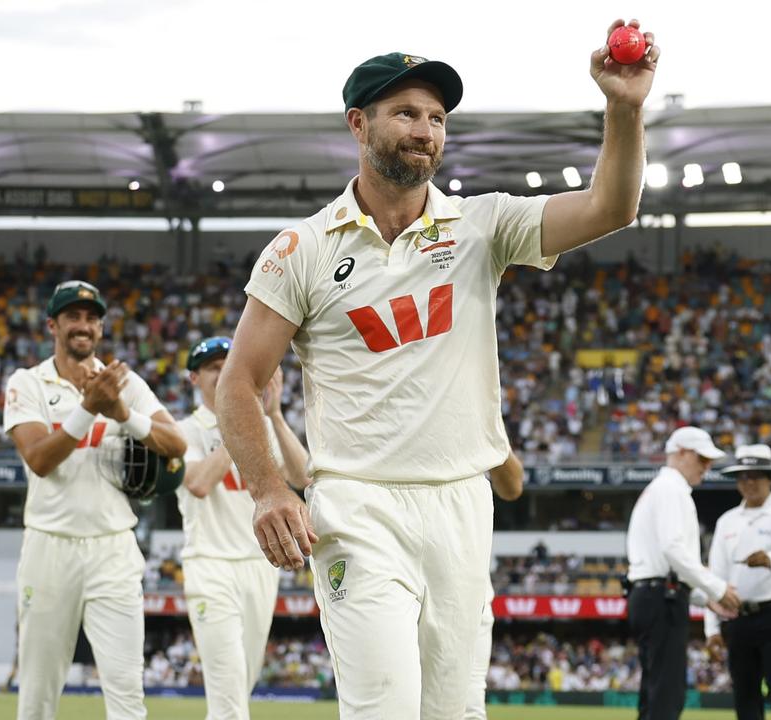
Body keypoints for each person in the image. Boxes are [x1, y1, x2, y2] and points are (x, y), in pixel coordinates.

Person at [216, 19, 660, 717]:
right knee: (383, 707)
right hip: (357, 505)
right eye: (406, 114)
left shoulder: (483, 225)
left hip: (460, 502)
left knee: (455, 711)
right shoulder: (299, 248)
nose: (425, 131)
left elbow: (613, 206)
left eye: (436, 118)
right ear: (359, 124)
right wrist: (270, 489)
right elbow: (237, 381)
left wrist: (624, 109)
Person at [3, 280, 186, 720]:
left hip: (113, 546)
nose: (82, 325)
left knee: (126, 691)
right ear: (53, 325)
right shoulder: (27, 382)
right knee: (38, 691)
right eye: (72, 317)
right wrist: (89, 408)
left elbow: (176, 443)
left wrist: (122, 413)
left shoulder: (124, 383)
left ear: (100, 328)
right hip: (50, 545)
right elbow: (40, 459)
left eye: (91, 318)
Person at [176, 336, 309, 720]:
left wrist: (274, 416)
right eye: (214, 368)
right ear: (193, 379)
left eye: (228, 366)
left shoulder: (262, 426)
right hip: (209, 564)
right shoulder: (183, 430)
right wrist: (239, 421)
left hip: (259, 565)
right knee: (229, 698)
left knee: (241, 687)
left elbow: (302, 475)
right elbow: (199, 483)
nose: (222, 375)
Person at [626, 426, 740, 720]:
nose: (708, 467)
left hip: (654, 593)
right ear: (680, 454)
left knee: (656, 692)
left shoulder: (663, 489)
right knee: (667, 693)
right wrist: (716, 589)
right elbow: (673, 551)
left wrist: (703, 597)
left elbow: (670, 558)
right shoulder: (670, 489)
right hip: (661, 596)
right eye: (702, 458)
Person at [704, 445, 771, 720]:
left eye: (756, 476)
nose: (749, 482)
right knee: (745, 696)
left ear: (770, 478)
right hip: (738, 617)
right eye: (743, 477)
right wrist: (711, 628)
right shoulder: (727, 521)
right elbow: (715, 577)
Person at [465, 450, 524, 720]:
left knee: (468, 705)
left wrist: (494, 436)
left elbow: (513, 488)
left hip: (469, 585)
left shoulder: (475, 410)